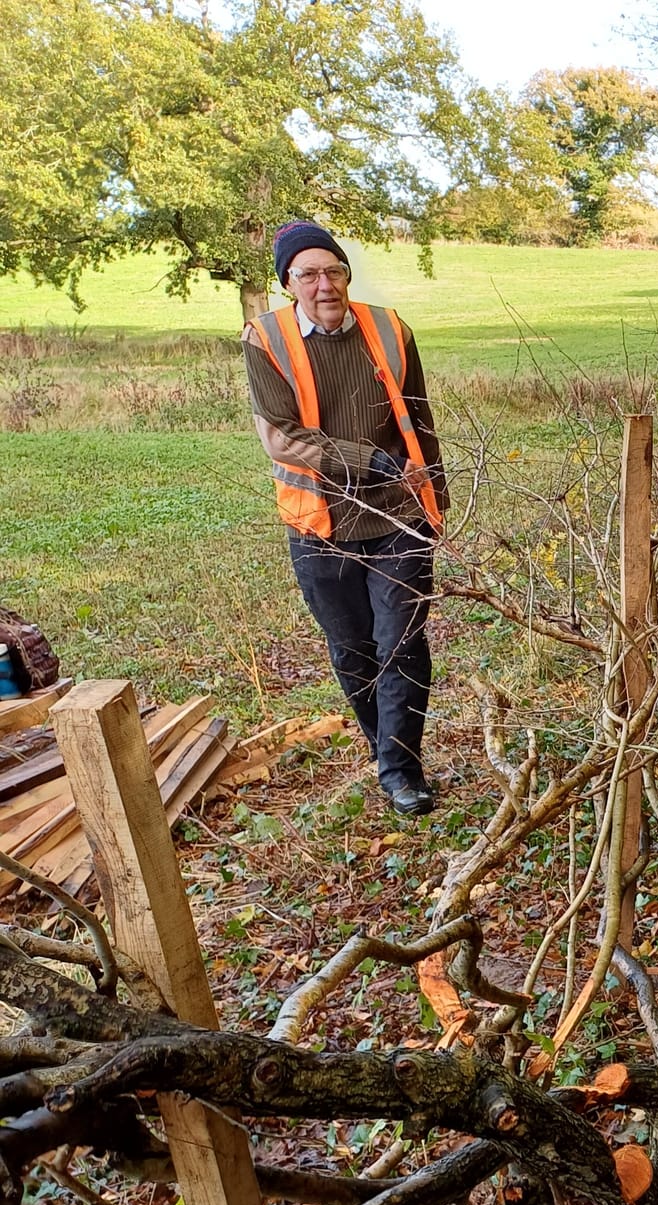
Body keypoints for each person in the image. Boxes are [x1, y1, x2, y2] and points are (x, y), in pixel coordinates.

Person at [243, 221, 447, 817]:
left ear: (346, 274)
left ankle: (401, 770)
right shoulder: (266, 339)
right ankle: (386, 750)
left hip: (400, 512)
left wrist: (436, 493)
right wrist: (369, 462)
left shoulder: (389, 327)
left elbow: (419, 413)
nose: (323, 284)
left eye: (332, 270)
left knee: (401, 641)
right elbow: (281, 436)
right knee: (352, 649)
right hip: (319, 520)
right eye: (307, 274)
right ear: (288, 283)